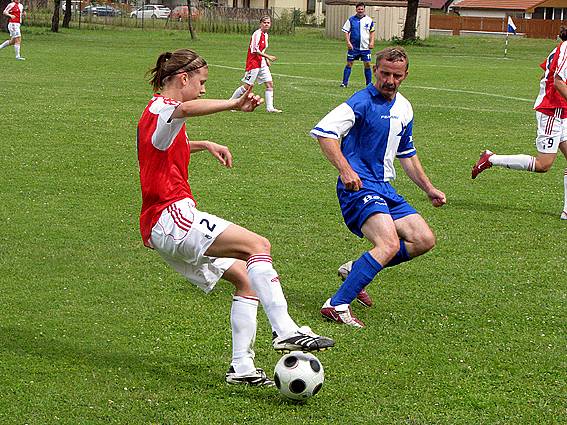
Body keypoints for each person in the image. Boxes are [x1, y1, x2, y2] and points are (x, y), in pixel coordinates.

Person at [137, 48, 334, 386]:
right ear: (182, 79)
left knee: (246, 278)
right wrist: (232, 103)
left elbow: (165, 144)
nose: (202, 89)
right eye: (201, 82)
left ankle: (241, 367)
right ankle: (285, 329)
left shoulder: (157, 113)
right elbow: (183, 109)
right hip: (172, 218)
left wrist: (205, 144)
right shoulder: (165, 108)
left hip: (163, 227)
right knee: (257, 244)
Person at [310, 47, 446, 328]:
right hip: (358, 187)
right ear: (375, 71)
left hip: (384, 187)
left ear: (405, 76)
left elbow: (406, 154)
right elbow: (324, 133)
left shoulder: (405, 108)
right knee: (388, 243)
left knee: (423, 239)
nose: (390, 80)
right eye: (385, 73)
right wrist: (345, 169)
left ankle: (355, 270)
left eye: (397, 75)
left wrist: (428, 188)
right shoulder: (359, 102)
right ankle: (337, 305)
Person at [472, 27, 567, 220]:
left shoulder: (561, 48)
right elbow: (558, 81)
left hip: (561, 110)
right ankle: (490, 159)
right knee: (543, 164)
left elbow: (545, 76)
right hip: (552, 111)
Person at [229, 16, 282, 113]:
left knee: (269, 84)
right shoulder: (256, 34)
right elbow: (254, 50)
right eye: (264, 22)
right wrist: (268, 56)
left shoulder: (265, 35)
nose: (266, 24)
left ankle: (270, 108)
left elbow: (262, 49)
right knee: (247, 86)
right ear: (260, 24)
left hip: (261, 62)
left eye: (268, 23)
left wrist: (266, 59)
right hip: (253, 62)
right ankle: (230, 103)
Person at [340, 2, 375, 88]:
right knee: (349, 63)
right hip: (354, 47)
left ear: (364, 9)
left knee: (367, 64)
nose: (360, 11)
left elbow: (372, 32)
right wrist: (348, 42)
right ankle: (344, 83)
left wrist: (372, 42)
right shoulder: (351, 20)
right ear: (356, 10)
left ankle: (368, 84)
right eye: (358, 9)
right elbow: (346, 31)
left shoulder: (369, 20)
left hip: (365, 47)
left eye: (362, 9)